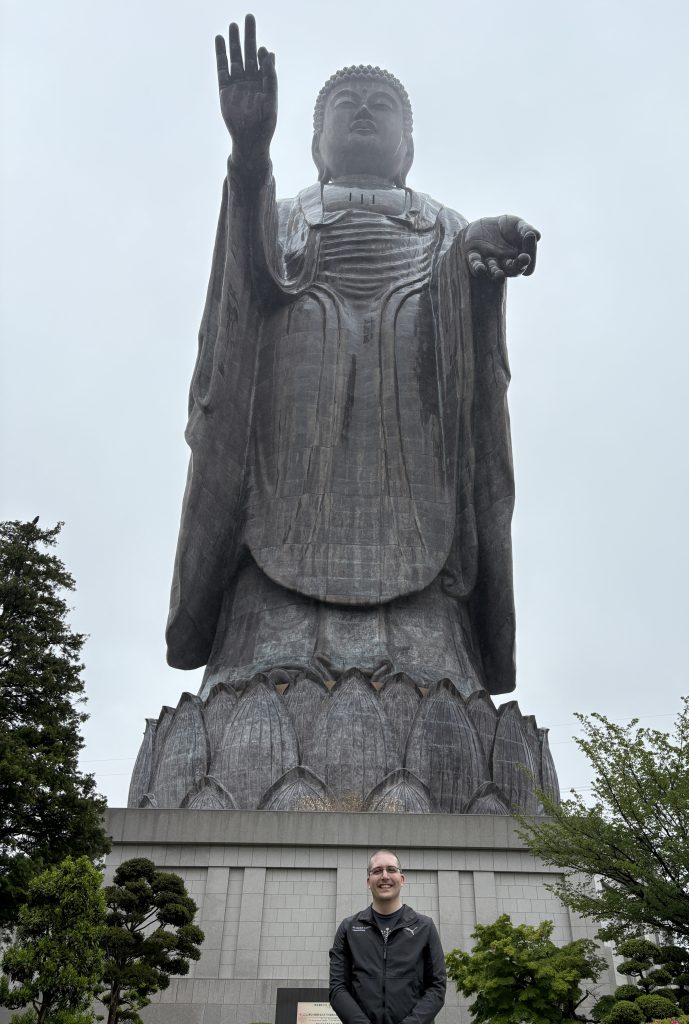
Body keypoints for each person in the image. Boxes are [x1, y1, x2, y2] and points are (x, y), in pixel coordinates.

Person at [166, 16, 540, 700]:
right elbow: (244, 291)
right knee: (271, 563)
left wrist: (476, 266)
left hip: (414, 455)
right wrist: (249, 154)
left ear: (408, 148)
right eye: (348, 107)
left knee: (432, 622)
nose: (365, 115)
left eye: (382, 108)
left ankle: (435, 652)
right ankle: (264, 640)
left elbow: (469, 365)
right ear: (316, 143)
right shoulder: (281, 212)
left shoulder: (444, 226)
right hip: (294, 437)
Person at [329, 850, 446, 1024]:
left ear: (402, 879)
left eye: (391, 869)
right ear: (369, 882)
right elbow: (337, 988)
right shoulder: (349, 928)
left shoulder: (424, 927)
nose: (384, 876)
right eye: (377, 871)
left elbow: (437, 987)